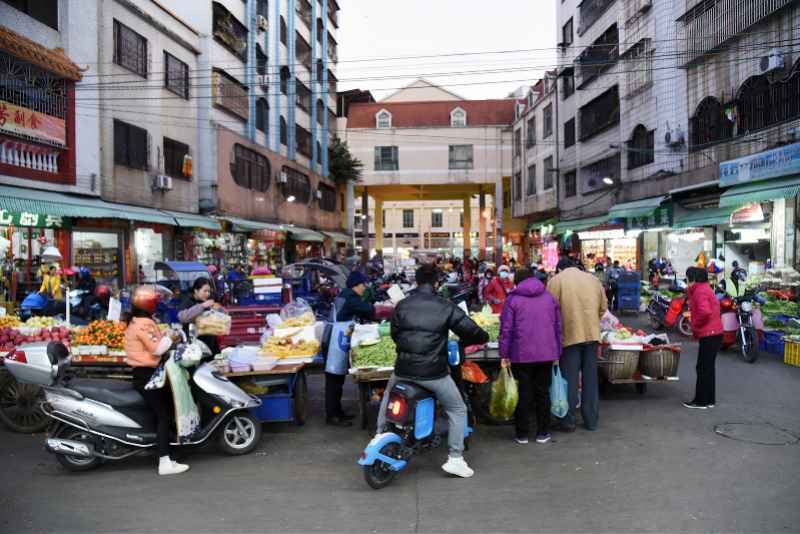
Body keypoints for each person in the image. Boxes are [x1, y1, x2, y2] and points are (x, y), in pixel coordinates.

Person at [376, 264, 489, 478]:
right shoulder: (445, 306)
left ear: (416, 281)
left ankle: (379, 434)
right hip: (433, 373)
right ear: (437, 282)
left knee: (388, 396)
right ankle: (456, 458)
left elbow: (395, 334)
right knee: (457, 409)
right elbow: (474, 332)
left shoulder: (402, 305)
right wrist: (474, 340)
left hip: (404, 369)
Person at [124, 285, 188, 476]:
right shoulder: (144, 323)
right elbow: (157, 349)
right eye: (156, 302)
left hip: (144, 374)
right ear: (149, 304)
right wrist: (171, 336)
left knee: (162, 412)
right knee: (164, 415)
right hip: (148, 376)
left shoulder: (136, 321)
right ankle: (164, 462)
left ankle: (170, 453)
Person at [498, 268, 562, 445]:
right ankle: (543, 433)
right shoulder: (549, 297)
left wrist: (504, 353)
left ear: (517, 281)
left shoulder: (513, 299)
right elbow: (558, 326)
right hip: (546, 353)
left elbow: (506, 329)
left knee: (523, 393)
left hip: (521, 354)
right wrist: (557, 351)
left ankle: (522, 434)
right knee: (542, 393)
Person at [547, 258, 607, 432]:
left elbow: (550, 310)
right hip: (592, 335)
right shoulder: (593, 280)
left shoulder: (556, 281)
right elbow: (603, 307)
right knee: (590, 380)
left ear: (559, 268)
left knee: (570, 380)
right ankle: (591, 421)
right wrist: (591, 321)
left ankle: (568, 421)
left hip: (570, 337)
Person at [325, 271, 375, 427]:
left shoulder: (345, 294)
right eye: (363, 285)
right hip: (335, 341)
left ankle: (338, 413)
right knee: (334, 380)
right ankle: (333, 416)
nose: (364, 288)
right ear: (356, 285)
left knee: (337, 380)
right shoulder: (351, 298)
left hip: (335, 337)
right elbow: (369, 310)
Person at [685, 267, 724, 409]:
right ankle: (709, 400)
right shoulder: (704, 288)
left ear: (693, 278)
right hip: (715, 333)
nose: (687, 281)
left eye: (688, 278)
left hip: (710, 333)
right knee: (708, 367)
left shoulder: (700, 291)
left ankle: (701, 401)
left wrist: (695, 325)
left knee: (702, 367)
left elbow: (705, 312)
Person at [177, 277, 223, 357]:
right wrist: (202, 306)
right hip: (194, 349)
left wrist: (219, 310)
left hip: (210, 345)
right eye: (205, 291)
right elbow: (182, 317)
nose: (208, 294)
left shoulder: (207, 302)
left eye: (209, 291)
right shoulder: (187, 301)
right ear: (196, 290)